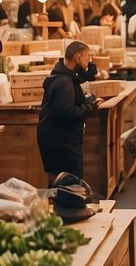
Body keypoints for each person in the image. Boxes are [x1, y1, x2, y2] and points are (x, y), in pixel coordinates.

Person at [37, 41, 102, 182]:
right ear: (78, 57)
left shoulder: (65, 77)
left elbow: (88, 75)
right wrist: (90, 107)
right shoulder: (64, 83)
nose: (88, 62)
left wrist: (87, 101)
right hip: (61, 142)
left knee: (59, 182)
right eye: (87, 58)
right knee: (70, 184)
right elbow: (67, 113)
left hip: (55, 138)